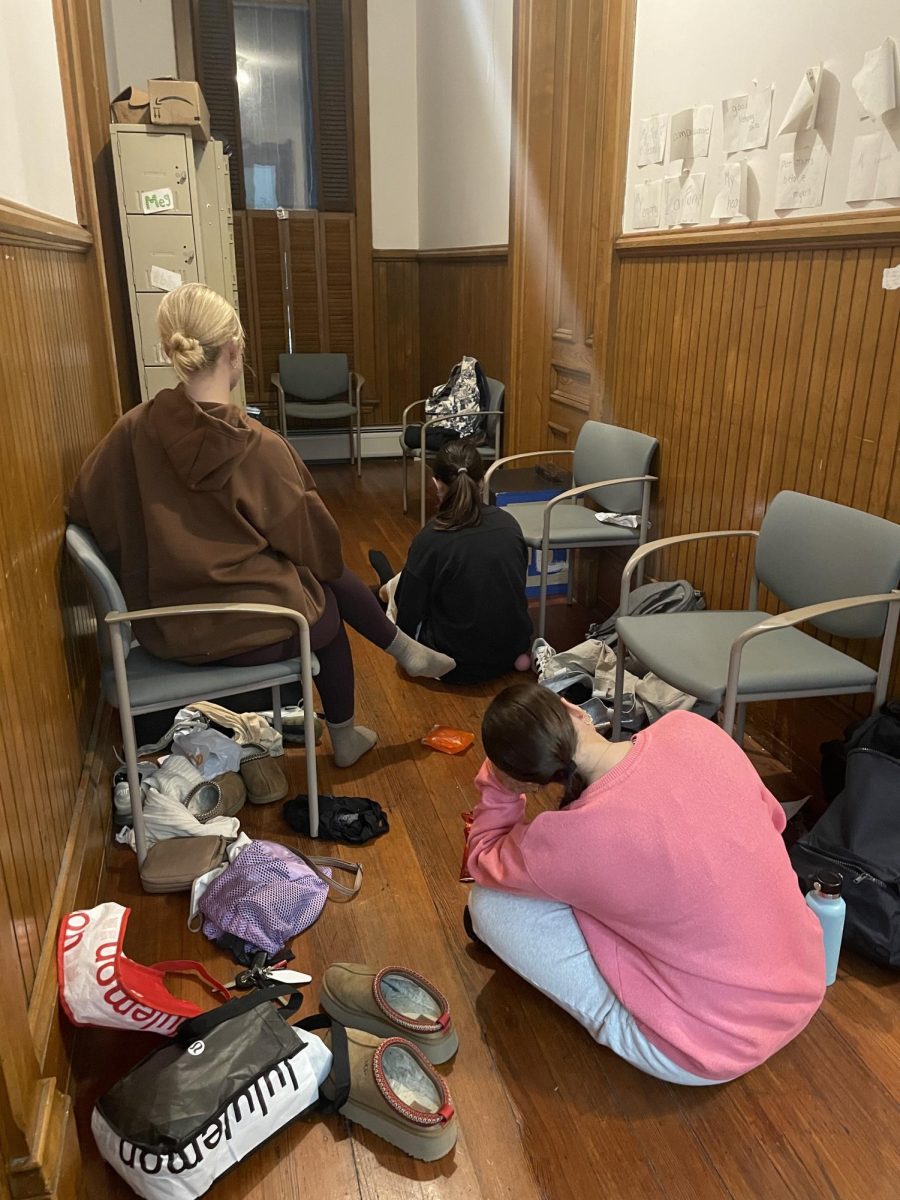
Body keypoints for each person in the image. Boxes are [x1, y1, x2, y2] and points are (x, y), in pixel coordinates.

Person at [67, 283, 455, 767]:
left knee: (314, 587)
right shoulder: (258, 446)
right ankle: (352, 726)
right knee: (325, 604)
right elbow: (320, 548)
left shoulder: (128, 432)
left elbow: (84, 508)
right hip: (244, 634)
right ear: (233, 351)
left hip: (161, 626)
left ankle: (400, 652)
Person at [466, 683, 826, 1085]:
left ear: (530, 780)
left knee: (488, 905)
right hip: (804, 981)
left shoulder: (562, 840)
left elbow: (482, 856)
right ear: (575, 710)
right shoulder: (692, 729)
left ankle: (632, 1012)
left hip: (708, 1048)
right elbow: (774, 821)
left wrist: (498, 781)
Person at [370, 440, 533, 684]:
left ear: (436, 484)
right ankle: (386, 587)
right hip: (510, 652)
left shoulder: (431, 538)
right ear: (482, 481)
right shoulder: (509, 524)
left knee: (406, 585)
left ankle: (385, 590)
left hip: (453, 664)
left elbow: (408, 617)